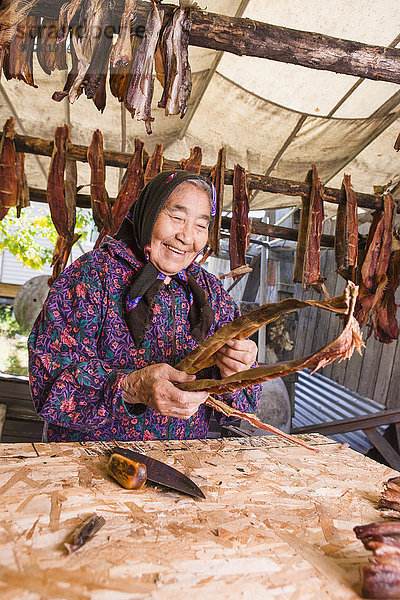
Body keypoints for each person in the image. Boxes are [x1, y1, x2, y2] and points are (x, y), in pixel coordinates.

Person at [28, 170, 261, 442]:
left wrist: (239, 371)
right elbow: (48, 386)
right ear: (149, 212)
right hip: (88, 467)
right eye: (177, 217)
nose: (187, 237)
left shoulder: (212, 294)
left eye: (200, 225)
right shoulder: (91, 276)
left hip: (179, 467)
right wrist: (129, 388)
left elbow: (242, 410)